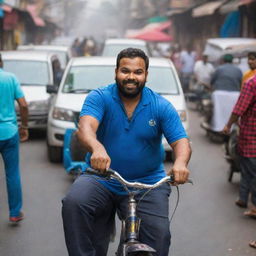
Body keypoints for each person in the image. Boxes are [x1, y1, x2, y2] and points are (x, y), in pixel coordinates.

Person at [62, 48, 192, 256]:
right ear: (116, 72)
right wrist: (97, 148)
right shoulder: (100, 97)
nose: (131, 77)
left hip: (148, 182)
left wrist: (180, 164)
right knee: (74, 203)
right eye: (125, 71)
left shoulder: (161, 106)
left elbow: (181, 142)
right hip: (101, 177)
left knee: (160, 238)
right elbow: (85, 128)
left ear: (146, 75)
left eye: (138, 72)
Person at [0, 53, 29, 223]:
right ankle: (15, 212)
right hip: (9, 132)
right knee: (12, 173)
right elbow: (23, 105)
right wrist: (24, 126)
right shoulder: (10, 78)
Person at [222, 75, 256, 218]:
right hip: (250, 137)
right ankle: (242, 198)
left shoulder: (251, 83)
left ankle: (254, 206)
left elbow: (239, 109)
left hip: (251, 136)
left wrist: (228, 124)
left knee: (251, 170)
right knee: (248, 168)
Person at [209, 54, 242, 132]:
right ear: (232, 61)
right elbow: (241, 82)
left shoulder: (219, 69)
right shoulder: (238, 70)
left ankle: (217, 127)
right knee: (232, 111)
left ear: (223, 60)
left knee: (218, 111)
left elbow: (212, 81)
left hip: (219, 94)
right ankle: (232, 128)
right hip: (235, 94)